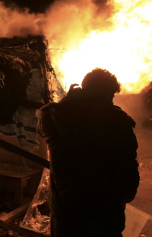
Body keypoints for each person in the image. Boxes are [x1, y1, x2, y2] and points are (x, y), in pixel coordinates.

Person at [37, 68, 140, 237]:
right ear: (106, 95)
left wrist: (68, 100)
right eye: (111, 96)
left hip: (65, 215)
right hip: (102, 218)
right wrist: (124, 196)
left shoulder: (54, 116)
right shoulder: (118, 123)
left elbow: (45, 117)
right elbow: (128, 180)